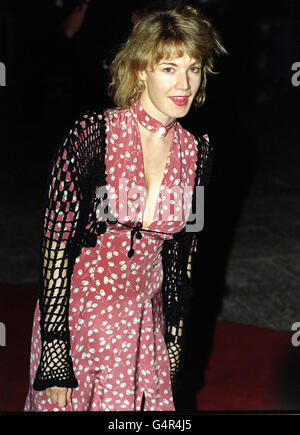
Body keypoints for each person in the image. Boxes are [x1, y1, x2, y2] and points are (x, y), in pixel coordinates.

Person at [24, 4, 226, 412]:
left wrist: (173, 342)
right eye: (169, 68)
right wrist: (55, 351)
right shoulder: (92, 136)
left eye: (193, 68)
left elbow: (181, 260)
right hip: (80, 321)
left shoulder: (197, 152)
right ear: (139, 72)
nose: (183, 83)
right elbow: (55, 249)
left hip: (142, 328)